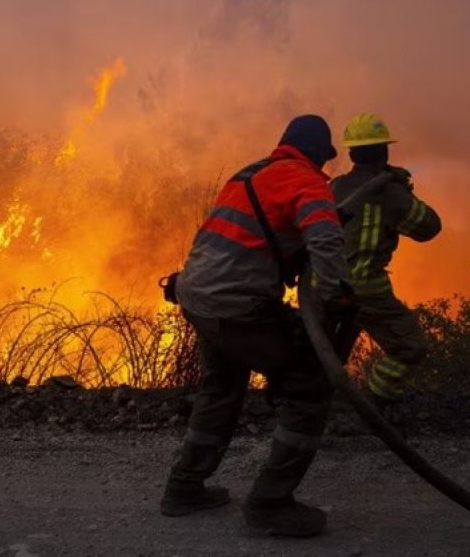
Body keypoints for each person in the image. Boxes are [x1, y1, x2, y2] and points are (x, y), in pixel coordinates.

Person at [160, 114, 353, 537]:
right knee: (309, 384)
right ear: (319, 152)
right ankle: (270, 503)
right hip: (236, 305)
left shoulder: (249, 173)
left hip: (196, 294)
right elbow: (325, 237)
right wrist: (337, 293)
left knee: (222, 386)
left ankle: (184, 488)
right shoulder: (306, 180)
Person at [331, 113, 442, 410]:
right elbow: (429, 228)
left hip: (323, 287)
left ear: (351, 153)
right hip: (364, 289)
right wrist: (403, 192)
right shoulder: (390, 192)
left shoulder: (334, 187)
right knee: (409, 347)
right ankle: (375, 407)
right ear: (385, 150)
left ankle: (319, 412)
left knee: (327, 355)